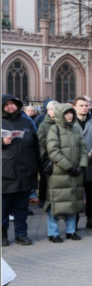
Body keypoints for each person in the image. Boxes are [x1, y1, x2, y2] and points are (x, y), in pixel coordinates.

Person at [43, 103, 88, 243]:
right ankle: (53, 232)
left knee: (73, 202)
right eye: (66, 113)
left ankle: (71, 230)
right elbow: (53, 152)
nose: (69, 116)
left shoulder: (75, 129)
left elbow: (83, 148)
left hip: (75, 173)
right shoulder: (54, 130)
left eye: (71, 113)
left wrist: (81, 165)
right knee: (55, 203)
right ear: (60, 115)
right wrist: (69, 167)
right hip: (59, 174)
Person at [2, 94, 40, 246]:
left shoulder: (26, 121)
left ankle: (21, 234)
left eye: (13, 104)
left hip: (26, 169)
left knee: (22, 207)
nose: (10, 106)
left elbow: (35, 144)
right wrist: (2, 142)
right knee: (3, 207)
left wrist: (37, 164)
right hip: (5, 172)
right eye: (7, 104)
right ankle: (2, 235)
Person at [73, 96, 92, 231]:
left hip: (91, 164)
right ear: (75, 107)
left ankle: (91, 220)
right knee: (76, 195)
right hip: (76, 164)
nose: (84, 107)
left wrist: (91, 154)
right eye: (81, 105)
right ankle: (73, 222)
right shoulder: (70, 123)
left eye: (86, 105)